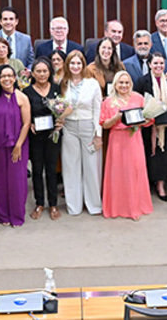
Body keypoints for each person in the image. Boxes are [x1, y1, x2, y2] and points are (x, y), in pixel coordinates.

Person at [100, 71, 154, 220]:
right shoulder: (108, 102)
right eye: (121, 83)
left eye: (127, 82)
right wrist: (116, 118)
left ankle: (135, 207)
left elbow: (149, 120)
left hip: (134, 139)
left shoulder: (139, 98)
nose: (124, 85)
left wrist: (141, 122)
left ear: (131, 84)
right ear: (115, 85)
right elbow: (104, 124)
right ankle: (116, 207)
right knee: (118, 173)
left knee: (135, 171)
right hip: (116, 140)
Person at [0, 65, 31, 227]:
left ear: (15, 78)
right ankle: (3, 215)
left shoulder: (21, 97)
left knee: (17, 181)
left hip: (18, 144)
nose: (7, 79)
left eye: (10, 75)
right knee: (0, 181)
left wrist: (18, 145)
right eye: (3, 76)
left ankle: (17, 215)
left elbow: (26, 124)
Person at [60, 50, 103, 216]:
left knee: (91, 167)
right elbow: (60, 106)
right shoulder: (64, 83)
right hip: (69, 127)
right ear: (67, 65)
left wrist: (97, 134)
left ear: (83, 65)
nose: (75, 66)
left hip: (88, 127)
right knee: (71, 167)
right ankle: (74, 206)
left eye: (78, 63)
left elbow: (97, 110)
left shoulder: (92, 84)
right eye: (72, 63)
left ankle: (94, 205)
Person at [135, 52, 167, 201]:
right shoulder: (142, 81)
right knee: (148, 154)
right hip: (147, 127)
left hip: (165, 127)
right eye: (155, 63)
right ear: (149, 65)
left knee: (163, 155)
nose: (159, 66)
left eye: (161, 63)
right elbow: (137, 101)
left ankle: (160, 184)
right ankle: (145, 184)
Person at [25, 57, 63, 221]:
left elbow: (63, 108)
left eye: (45, 71)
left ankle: (53, 203)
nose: (41, 74)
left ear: (50, 72)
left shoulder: (56, 88)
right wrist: (29, 123)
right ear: (33, 73)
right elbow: (24, 113)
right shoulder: (26, 91)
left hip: (52, 135)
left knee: (52, 170)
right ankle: (40, 203)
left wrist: (61, 120)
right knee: (37, 170)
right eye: (38, 71)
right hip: (35, 136)